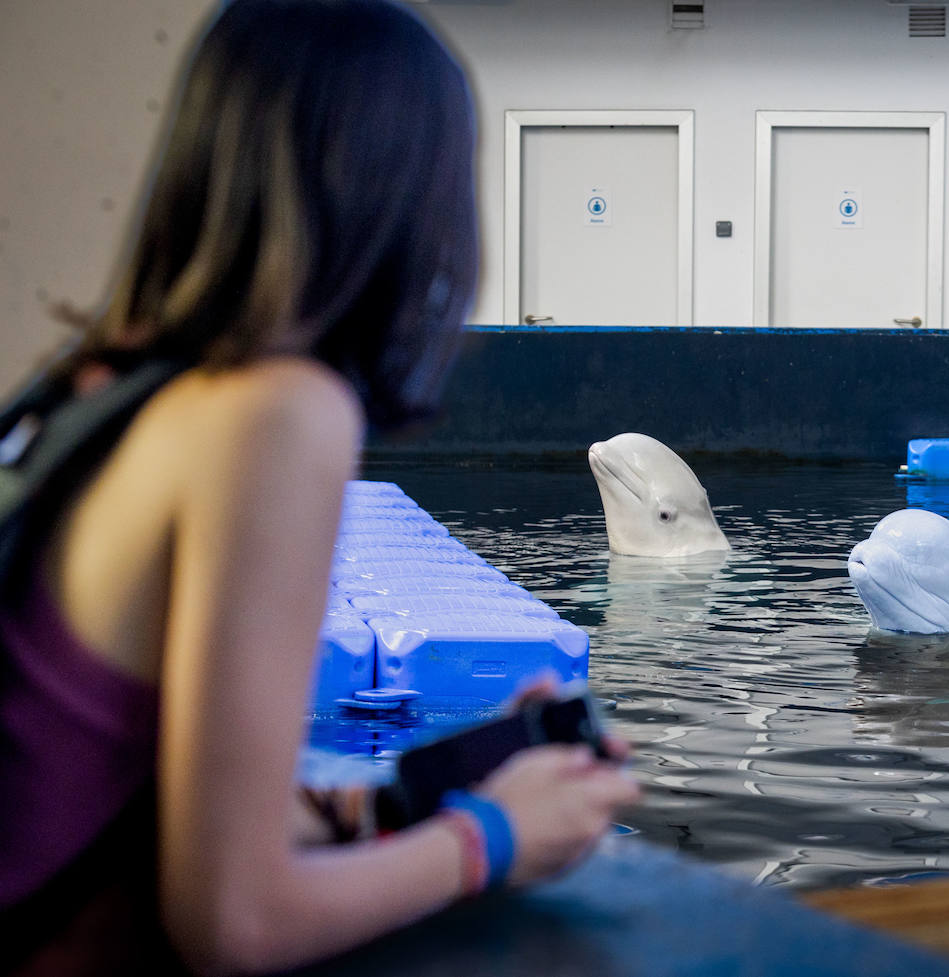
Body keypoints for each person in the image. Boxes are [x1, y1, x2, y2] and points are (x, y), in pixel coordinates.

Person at [0, 1, 640, 973]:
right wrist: (494, 839)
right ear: (409, 200)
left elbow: (95, 778)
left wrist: (385, 805)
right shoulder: (279, 412)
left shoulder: (93, 385)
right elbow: (234, 920)